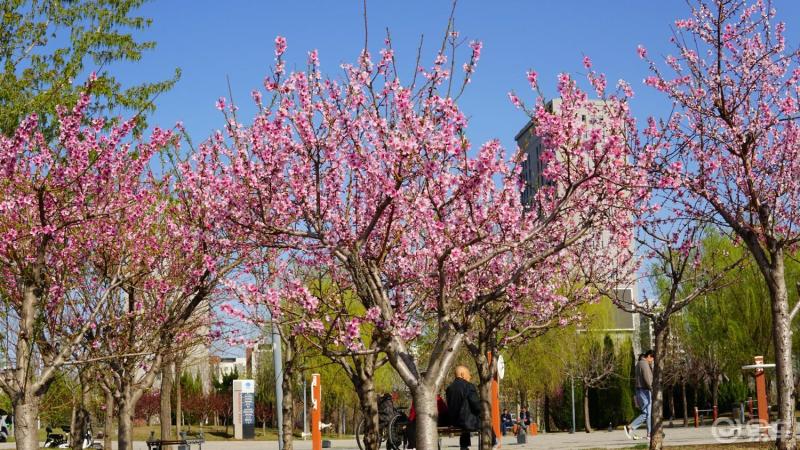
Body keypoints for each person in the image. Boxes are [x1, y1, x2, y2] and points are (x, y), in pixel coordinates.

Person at [446, 365, 495, 450]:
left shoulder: (449, 388)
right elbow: (476, 405)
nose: (470, 376)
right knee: (485, 419)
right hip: (466, 422)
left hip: (453, 421)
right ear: (462, 374)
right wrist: (483, 411)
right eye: (469, 374)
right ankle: (494, 441)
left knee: (467, 418)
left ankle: (464, 446)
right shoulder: (469, 386)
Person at [625, 350, 654, 440]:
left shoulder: (639, 363)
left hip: (640, 390)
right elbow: (648, 379)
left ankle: (648, 432)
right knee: (647, 413)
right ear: (649, 356)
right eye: (652, 358)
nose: (652, 361)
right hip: (644, 391)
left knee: (647, 413)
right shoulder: (644, 364)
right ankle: (633, 428)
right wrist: (652, 389)